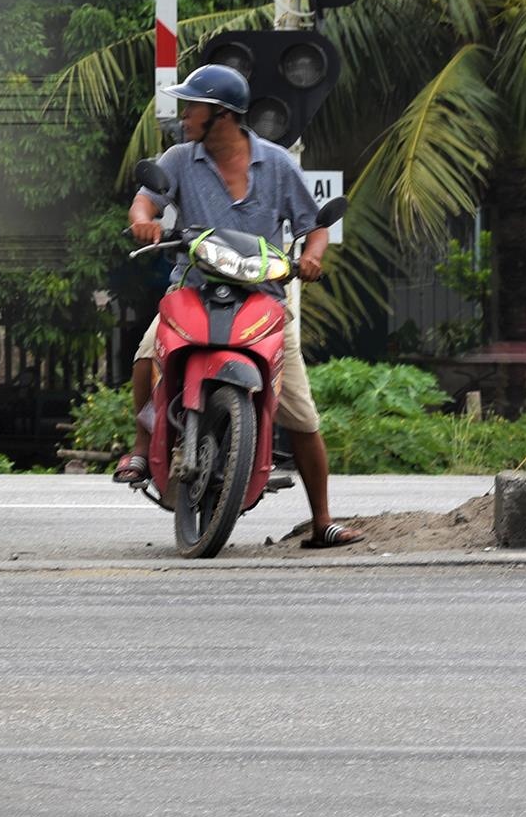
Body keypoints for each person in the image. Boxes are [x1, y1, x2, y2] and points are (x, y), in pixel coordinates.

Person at [114, 63, 362, 549]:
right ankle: (143, 445)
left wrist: (311, 258)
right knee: (147, 354)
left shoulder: (278, 164)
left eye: (194, 107)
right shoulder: (181, 158)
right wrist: (144, 221)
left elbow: (315, 225)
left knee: (304, 417)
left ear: (222, 115)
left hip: (264, 296)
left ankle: (322, 522)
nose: (185, 115)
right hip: (193, 286)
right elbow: (144, 203)